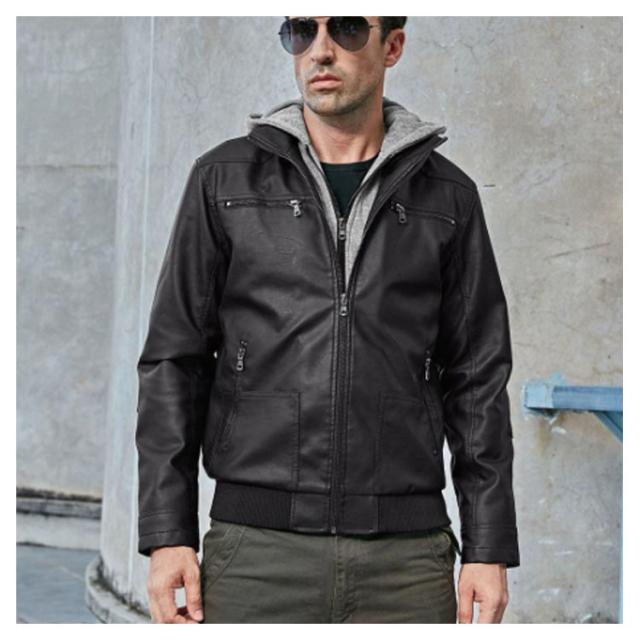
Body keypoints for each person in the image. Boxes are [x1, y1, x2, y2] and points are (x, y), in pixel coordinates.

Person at [135, 16, 520, 624]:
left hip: (406, 559)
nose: (320, 50)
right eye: (300, 31)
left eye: (345, 29)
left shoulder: (448, 198)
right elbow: (173, 363)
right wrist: (167, 534)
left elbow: (478, 379)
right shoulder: (224, 180)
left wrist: (487, 545)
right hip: (256, 551)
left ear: (392, 46)